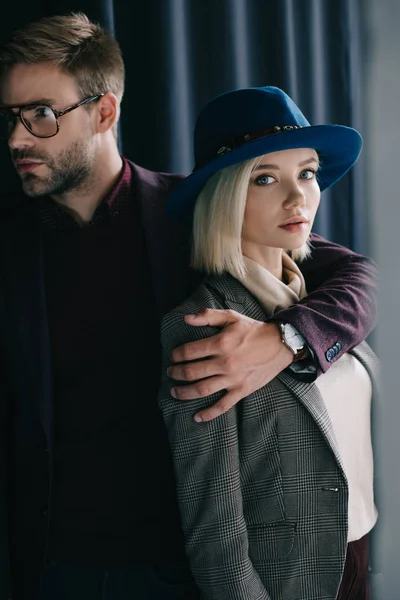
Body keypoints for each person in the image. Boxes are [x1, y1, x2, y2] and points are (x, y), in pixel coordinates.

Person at [0, 12, 377, 600]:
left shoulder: (194, 212)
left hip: (183, 566)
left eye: (42, 115)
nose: (17, 139)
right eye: (13, 118)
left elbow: (359, 277)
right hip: (51, 566)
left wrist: (286, 339)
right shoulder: (11, 248)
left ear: (104, 113)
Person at [158, 85, 380, 600]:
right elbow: (215, 532)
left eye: (306, 172)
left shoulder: (321, 294)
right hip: (288, 582)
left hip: (362, 560)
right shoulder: (202, 324)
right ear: (225, 193)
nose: (297, 196)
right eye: (265, 178)